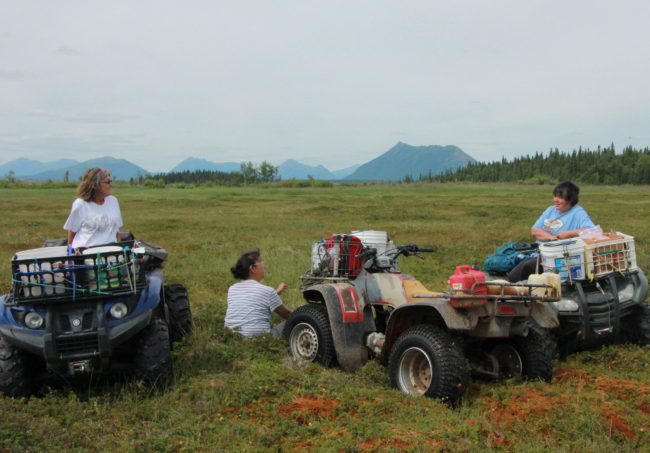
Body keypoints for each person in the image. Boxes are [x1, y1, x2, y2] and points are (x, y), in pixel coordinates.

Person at [508, 181, 595, 282]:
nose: (555, 200)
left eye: (560, 197)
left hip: (561, 256)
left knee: (523, 269)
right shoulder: (550, 210)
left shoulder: (578, 213)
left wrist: (568, 234)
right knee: (514, 265)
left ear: (570, 199)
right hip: (542, 251)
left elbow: (591, 231)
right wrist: (551, 237)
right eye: (555, 196)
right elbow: (535, 231)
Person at [225, 249, 292, 337]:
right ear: (253, 268)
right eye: (260, 261)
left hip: (231, 338)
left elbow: (251, 297)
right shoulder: (267, 291)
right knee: (297, 319)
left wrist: (277, 292)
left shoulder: (232, 289)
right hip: (259, 340)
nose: (263, 264)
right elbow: (287, 314)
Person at [63, 167, 122, 249]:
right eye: (107, 182)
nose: (111, 185)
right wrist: (70, 255)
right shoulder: (80, 204)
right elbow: (71, 232)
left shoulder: (113, 201)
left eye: (110, 181)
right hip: (86, 256)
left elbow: (116, 231)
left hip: (110, 253)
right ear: (95, 185)